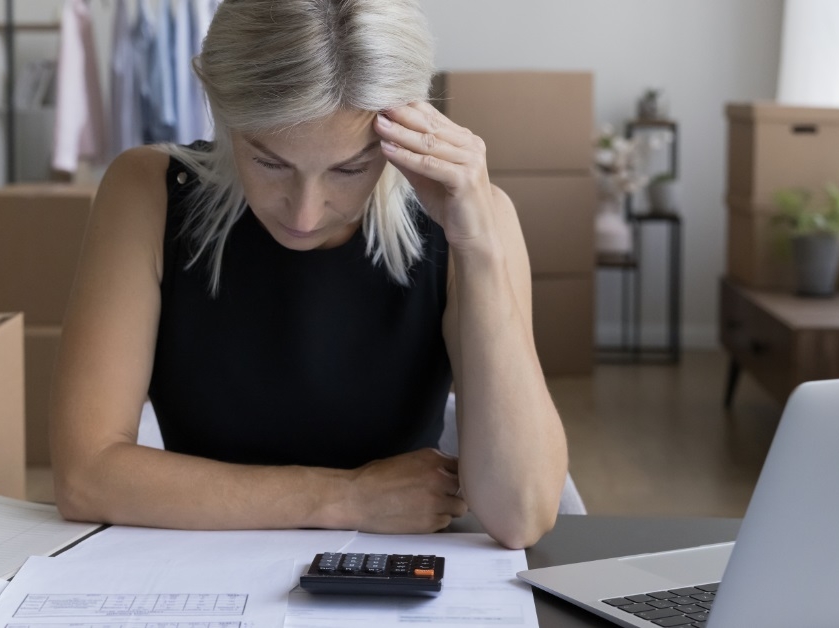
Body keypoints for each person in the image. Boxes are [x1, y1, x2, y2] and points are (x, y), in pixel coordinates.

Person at [50, 0, 568, 550]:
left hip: (391, 571)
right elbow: (86, 476)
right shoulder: (148, 193)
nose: (304, 214)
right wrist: (346, 498)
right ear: (222, 110)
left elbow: (521, 514)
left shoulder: (472, 221)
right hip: (199, 563)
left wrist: (479, 246)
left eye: (350, 169)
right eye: (270, 162)